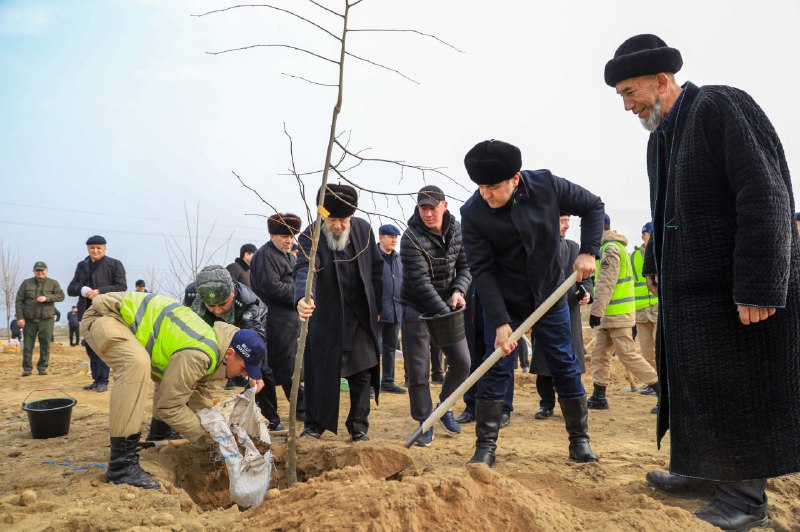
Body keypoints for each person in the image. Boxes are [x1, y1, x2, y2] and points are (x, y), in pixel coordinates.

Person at [605, 34, 800, 530]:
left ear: (662, 81)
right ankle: (699, 469)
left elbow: (766, 194)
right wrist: (655, 265)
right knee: (695, 386)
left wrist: (759, 283)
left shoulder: (721, 106)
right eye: (623, 96)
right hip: (690, 296)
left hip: (736, 292)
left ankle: (744, 498)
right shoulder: (660, 138)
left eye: (631, 92)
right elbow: (667, 210)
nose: (628, 105)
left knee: (740, 389)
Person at [460, 139, 603, 466]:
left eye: (493, 187)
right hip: (504, 300)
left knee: (564, 364)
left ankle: (579, 442)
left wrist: (589, 251)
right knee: (496, 365)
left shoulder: (547, 185)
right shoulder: (473, 213)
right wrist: (499, 322)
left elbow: (593, 206)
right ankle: (485, 447)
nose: (486, 195)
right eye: (481, 187)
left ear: (515, 178)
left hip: (550, 294)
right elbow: (482, 270)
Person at [80, 290, 265, 490]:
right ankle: (121, 465)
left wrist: (221, 432)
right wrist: (207, 437)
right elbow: (168, 407)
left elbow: (197, 399)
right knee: (135, 364)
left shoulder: (215, 352)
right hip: (106, 316)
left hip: (117, 320)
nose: (244, 375)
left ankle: (151, 440)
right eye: (244, 368)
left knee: (161, 377)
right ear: (229, 354)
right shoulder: (201, 353)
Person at [295, 184, 382, 442]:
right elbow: (303, 269)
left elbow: (376, 270)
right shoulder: (311, 236)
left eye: (344, 220)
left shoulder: (364, 230)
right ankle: (314, 425)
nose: (339, 226)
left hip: (359, 317)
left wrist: (376, 308)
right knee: (320, 373)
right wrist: (302, 297)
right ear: (323, 216)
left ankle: (358, 427)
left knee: (363, 372)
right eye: (333, 220)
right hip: (327, 318)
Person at [400, 185, 472, 446]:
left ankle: (444, 408)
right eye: (423, 208)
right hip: (416, 309)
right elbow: (419, 283)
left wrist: (458, 290)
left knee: (462, 361)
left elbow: (466, 266)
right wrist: (444, 313)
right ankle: (424, 421)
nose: (428, 213)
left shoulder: (457, 230)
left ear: (445, 205)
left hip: (446, 304)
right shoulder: (410, 238)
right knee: (418, 370)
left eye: (432, 207)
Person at [183, 265, 282, 431]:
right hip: (209, 327)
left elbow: (253, 344)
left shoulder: (248, 303)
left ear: (232, 293)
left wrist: (253, 372)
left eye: (222, 304)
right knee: (190, 365)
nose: (217, 310)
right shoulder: (193, 294)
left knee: (260, 371)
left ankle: (272, 419)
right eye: (211, 305)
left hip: (248, 326)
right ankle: (169, 426)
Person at [587, 215, 659, 410]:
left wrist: (596, 311)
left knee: (627, 354)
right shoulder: (608, 248)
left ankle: (663, 392)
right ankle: (599, 396)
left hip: (616, 314)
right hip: (608, 315)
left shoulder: (610, 249)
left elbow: (605, 284)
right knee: (599, 354)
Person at [531, 213, 593, 420]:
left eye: (568, 221)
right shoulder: (537, 248)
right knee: (544, 363)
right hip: (544, 314)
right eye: (562, 221)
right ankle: (546, 404)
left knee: (570, 361)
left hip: (570, 312)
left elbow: (587, 281)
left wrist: (585, 292)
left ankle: (572, 403)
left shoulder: (575, 249)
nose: (566, 225)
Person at [250, 213, 307, 424]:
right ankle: (289, 411)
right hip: (272, 323)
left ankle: (299, 408)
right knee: (276, 369)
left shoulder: (288, 256)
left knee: (288, 367)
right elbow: (272, 287)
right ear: (272, 235)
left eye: (292, 235)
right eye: (284, 235)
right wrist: (301, 292)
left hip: (288, 323)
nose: (289, 240)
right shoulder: (265, 256)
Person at [68, 235, 127, 392]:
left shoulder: (114, 264)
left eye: (98, 248)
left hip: (105, 312)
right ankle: (96, 378)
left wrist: (100, 291)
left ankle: (103, 380)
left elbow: (121, 286)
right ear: (88, 248)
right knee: (90, 347)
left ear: (104, 248)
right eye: (92, 248)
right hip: (86, 313)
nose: (95, 251)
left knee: (102, 345)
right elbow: (70, 288)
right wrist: (82, 289)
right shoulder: (82, 265)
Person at [15, 261, 64, 376]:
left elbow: (61, 296)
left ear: (46, 271)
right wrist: (20, 317)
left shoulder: (53, 283)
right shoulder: (26, 283)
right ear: (34, 271)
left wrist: (47, 298)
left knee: (45, 345)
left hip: (46, 320)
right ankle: (27, 368)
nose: (40, 272)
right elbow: (19, 301)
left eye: (42, 270)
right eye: (37, 270)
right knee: (27, 346)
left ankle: (42, 367)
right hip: (29, 320)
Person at [376, 223, 406, 394]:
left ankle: (388, 381)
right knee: (372, 349)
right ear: (381, 237)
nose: (394, 240)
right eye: (390, 236)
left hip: (396, 311)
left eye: (396, 237)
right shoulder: (372, 257)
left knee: (390, 349)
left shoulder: (399, 259)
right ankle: (370, 384)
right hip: (377, 312)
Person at [631, 222, 659, 382]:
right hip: (640, 312)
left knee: (660, 350)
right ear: (643, 236)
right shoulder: (633, 257)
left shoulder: (661, 254)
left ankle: (665, 383)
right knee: (647, 352)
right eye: (649, 234)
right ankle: (655, 383)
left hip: (657, 308)